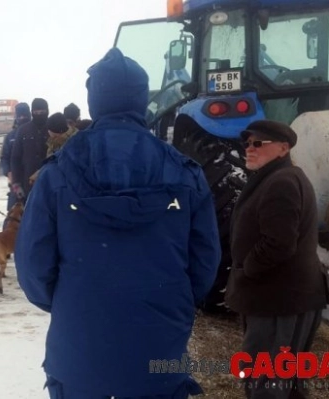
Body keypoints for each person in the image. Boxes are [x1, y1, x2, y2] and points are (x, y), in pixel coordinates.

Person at [15, 48, 220, 399]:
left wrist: (71, 300)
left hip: (80, 346)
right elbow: (205, 262)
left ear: (95, 101)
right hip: (159, 346)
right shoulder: (186, 173)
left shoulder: (57, 173)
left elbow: (34, 265)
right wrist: (174, 299)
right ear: (142, 100)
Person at [225, 120, 328, 399]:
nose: (250, 148)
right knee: (283, 381)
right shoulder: (278, 177)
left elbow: (279, 243)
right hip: (283, 298)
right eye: (247, 143)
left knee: (267, 380)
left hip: (278, 301)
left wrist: (247, 269)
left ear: (283, 148)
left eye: (259, 143)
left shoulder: (281, 182)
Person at [10, 98, 49, 202]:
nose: (39, 114)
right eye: (36, 112)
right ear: (32, 112)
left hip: (49, 182)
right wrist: (16, 183)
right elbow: (15, 158)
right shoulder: (23, 130)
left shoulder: (51, 129)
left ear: (47, 111)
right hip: (27, 183)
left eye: (42, 112)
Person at [27, 112, 76, 187]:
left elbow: (59, 166)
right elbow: (50, 163)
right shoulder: (54, 142)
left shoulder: (73, 142)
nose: (48, 132)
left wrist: (41, 175)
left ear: (56, 132)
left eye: (49, 130)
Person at [0, 102, 30, 213]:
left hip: (33, 182)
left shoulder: (36, 133)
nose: (23, 118)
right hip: (16, 183)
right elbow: (4, 158)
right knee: (12, 218)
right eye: (20, 116)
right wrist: (9, 174)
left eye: (25, 116)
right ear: (16, 117)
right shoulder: (10, 137)